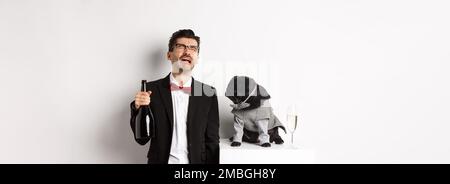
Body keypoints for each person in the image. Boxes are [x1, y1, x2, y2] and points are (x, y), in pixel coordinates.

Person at [129, 29, 220, 164]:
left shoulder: (208, 92)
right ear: (169, 55)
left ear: (197, 58)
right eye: (181, 46)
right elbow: (141, 139)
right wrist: (137, 108)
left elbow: (212, 141)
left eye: (193, 48)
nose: (187, 51)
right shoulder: (150, 90)